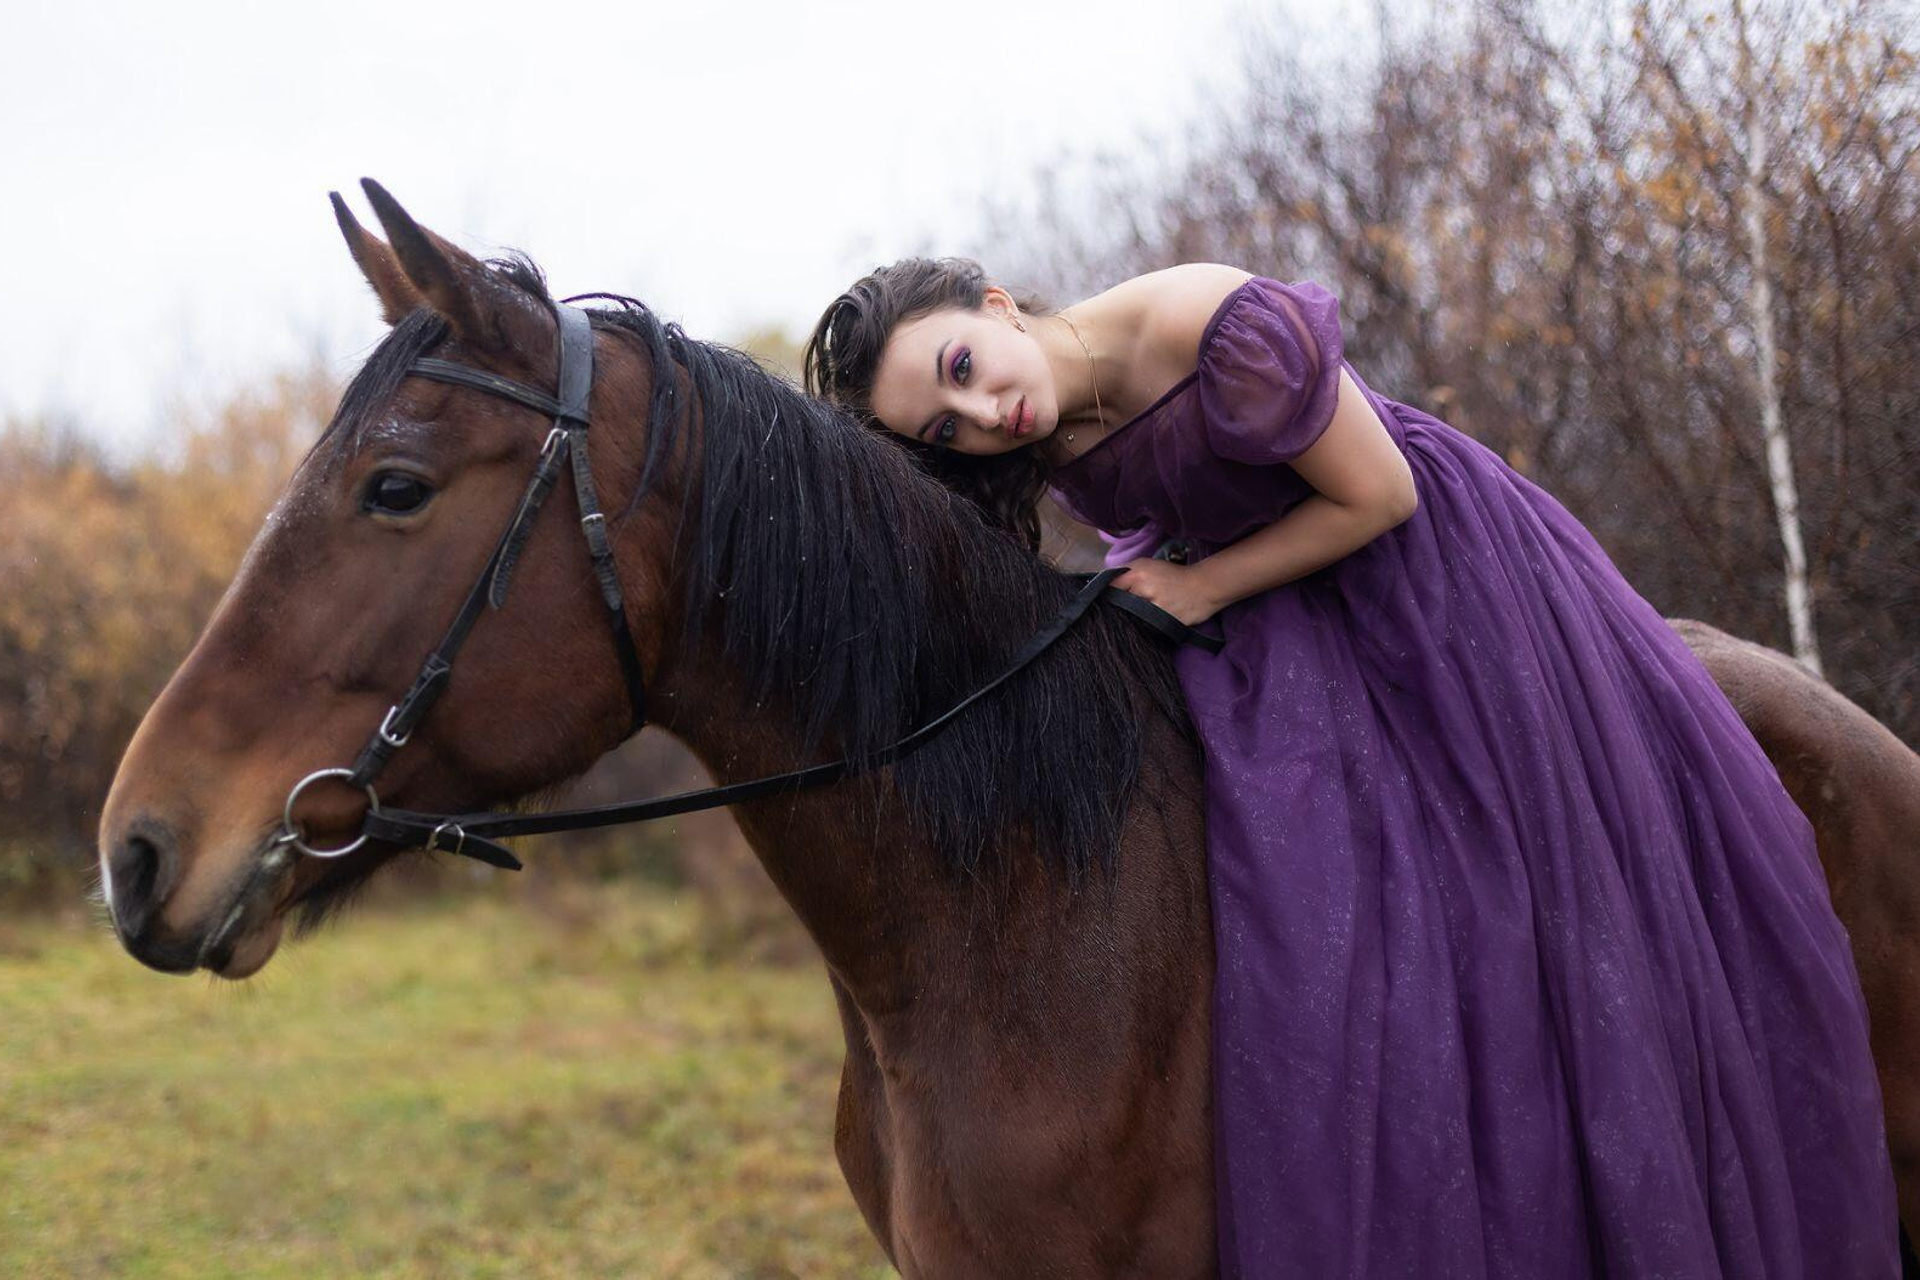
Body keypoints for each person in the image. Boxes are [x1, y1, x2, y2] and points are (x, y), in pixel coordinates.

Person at [802, 258, 1900, 1276]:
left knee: (1490, 871)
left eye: (963, 369)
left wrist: (1201, 589)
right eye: (948, 426)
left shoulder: (1199, 319)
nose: (988, 415)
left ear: (994, 304)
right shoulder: (1034, 427)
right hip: (1279, 606)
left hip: (1423, 576)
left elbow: (1379, 498)